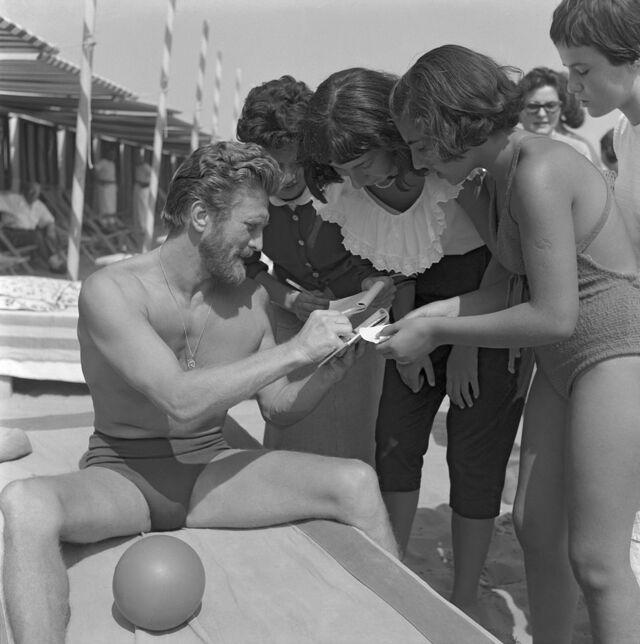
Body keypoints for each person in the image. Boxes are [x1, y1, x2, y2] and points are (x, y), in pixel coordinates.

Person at [0, 141, 398, 644]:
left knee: (357, 481)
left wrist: (328, 370)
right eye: (250, 226)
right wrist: (298, 349)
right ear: (200, 215)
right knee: (26, 502)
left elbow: (277, 406)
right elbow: (179, 401)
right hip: (123, 473)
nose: (260, 244)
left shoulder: (251, 297)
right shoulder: (113, 291)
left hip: (212, 472)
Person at [387, 44, 640, 643]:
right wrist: (418, 319)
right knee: (533, 525)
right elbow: (504, 292)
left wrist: (438, 326)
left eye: (422, 143)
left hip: (615, 351)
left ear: (456, 122)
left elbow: (553, 315)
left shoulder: (540, 168)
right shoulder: (489, 180)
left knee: (599, 561)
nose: (418, 160)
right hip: (563, 359)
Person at [298, 67, 532, 622]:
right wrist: (412, 342)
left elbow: (503, 255)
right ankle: (395, 572)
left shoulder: (450, 171)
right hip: (412, 318)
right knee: (396, 443)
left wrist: (468, 345)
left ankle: (466, 596)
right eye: (341, 170)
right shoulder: (345, 189)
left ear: (394, 134)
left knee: (477, 453)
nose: (354, 181)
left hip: (486, 308)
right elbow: (391, 271)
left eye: (363, 164)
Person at [235, 75, 394, 464]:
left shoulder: (348, 184)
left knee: (353, 428)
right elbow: (247, 262)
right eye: (274, 163)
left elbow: (393, 254)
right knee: (288, 421)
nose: (287, 176)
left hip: (362, 319)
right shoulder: (246, 196)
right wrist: (286, 297)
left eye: (296, 162)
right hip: (291, 316)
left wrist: (375, 286)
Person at [550, 0, 640, 262]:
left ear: (633, 57)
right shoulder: (624, 132)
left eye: (582, 71)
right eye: (569, 70)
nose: (572, 87)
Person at [517, 66, 600, 164]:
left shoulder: (577, 150)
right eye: (533, 106)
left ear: (561, 108)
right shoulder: (507, 150)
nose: (542, 114)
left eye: (550, 106)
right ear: (519, 109)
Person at [0, 181, 65, 272]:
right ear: (23, 191)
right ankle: (53, 262)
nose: (33, 193)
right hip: (10, 235)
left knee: (53, 233)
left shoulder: (38, 205)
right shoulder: (13, 199)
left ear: (39, 193)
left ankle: (61, 259)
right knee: (37, 236)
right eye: (30, 190)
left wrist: (51, 229)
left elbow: (49, 220)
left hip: (28, 234)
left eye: (36, 191)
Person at [93, 147, 119, 231]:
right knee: (105, 204)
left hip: (112, 186)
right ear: (107, 154)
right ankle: (104, 224)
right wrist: (99, 180)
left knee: (112, 205)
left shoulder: (112, 164)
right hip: (104, 187)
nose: (113, 156)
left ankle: (112, 222)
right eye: (111, 154)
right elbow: (94, 169)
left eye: (114, 155)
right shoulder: (103, 162)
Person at [132, 150, 152, 232]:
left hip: (144, 189)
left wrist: (146, 183)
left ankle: (144, 226)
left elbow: (152, 176)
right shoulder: (137, 166)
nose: (137, 160)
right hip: (138, 187)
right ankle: (139, 225)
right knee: (137, 207)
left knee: (144, 207)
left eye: (139, 158)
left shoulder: (146, 166)